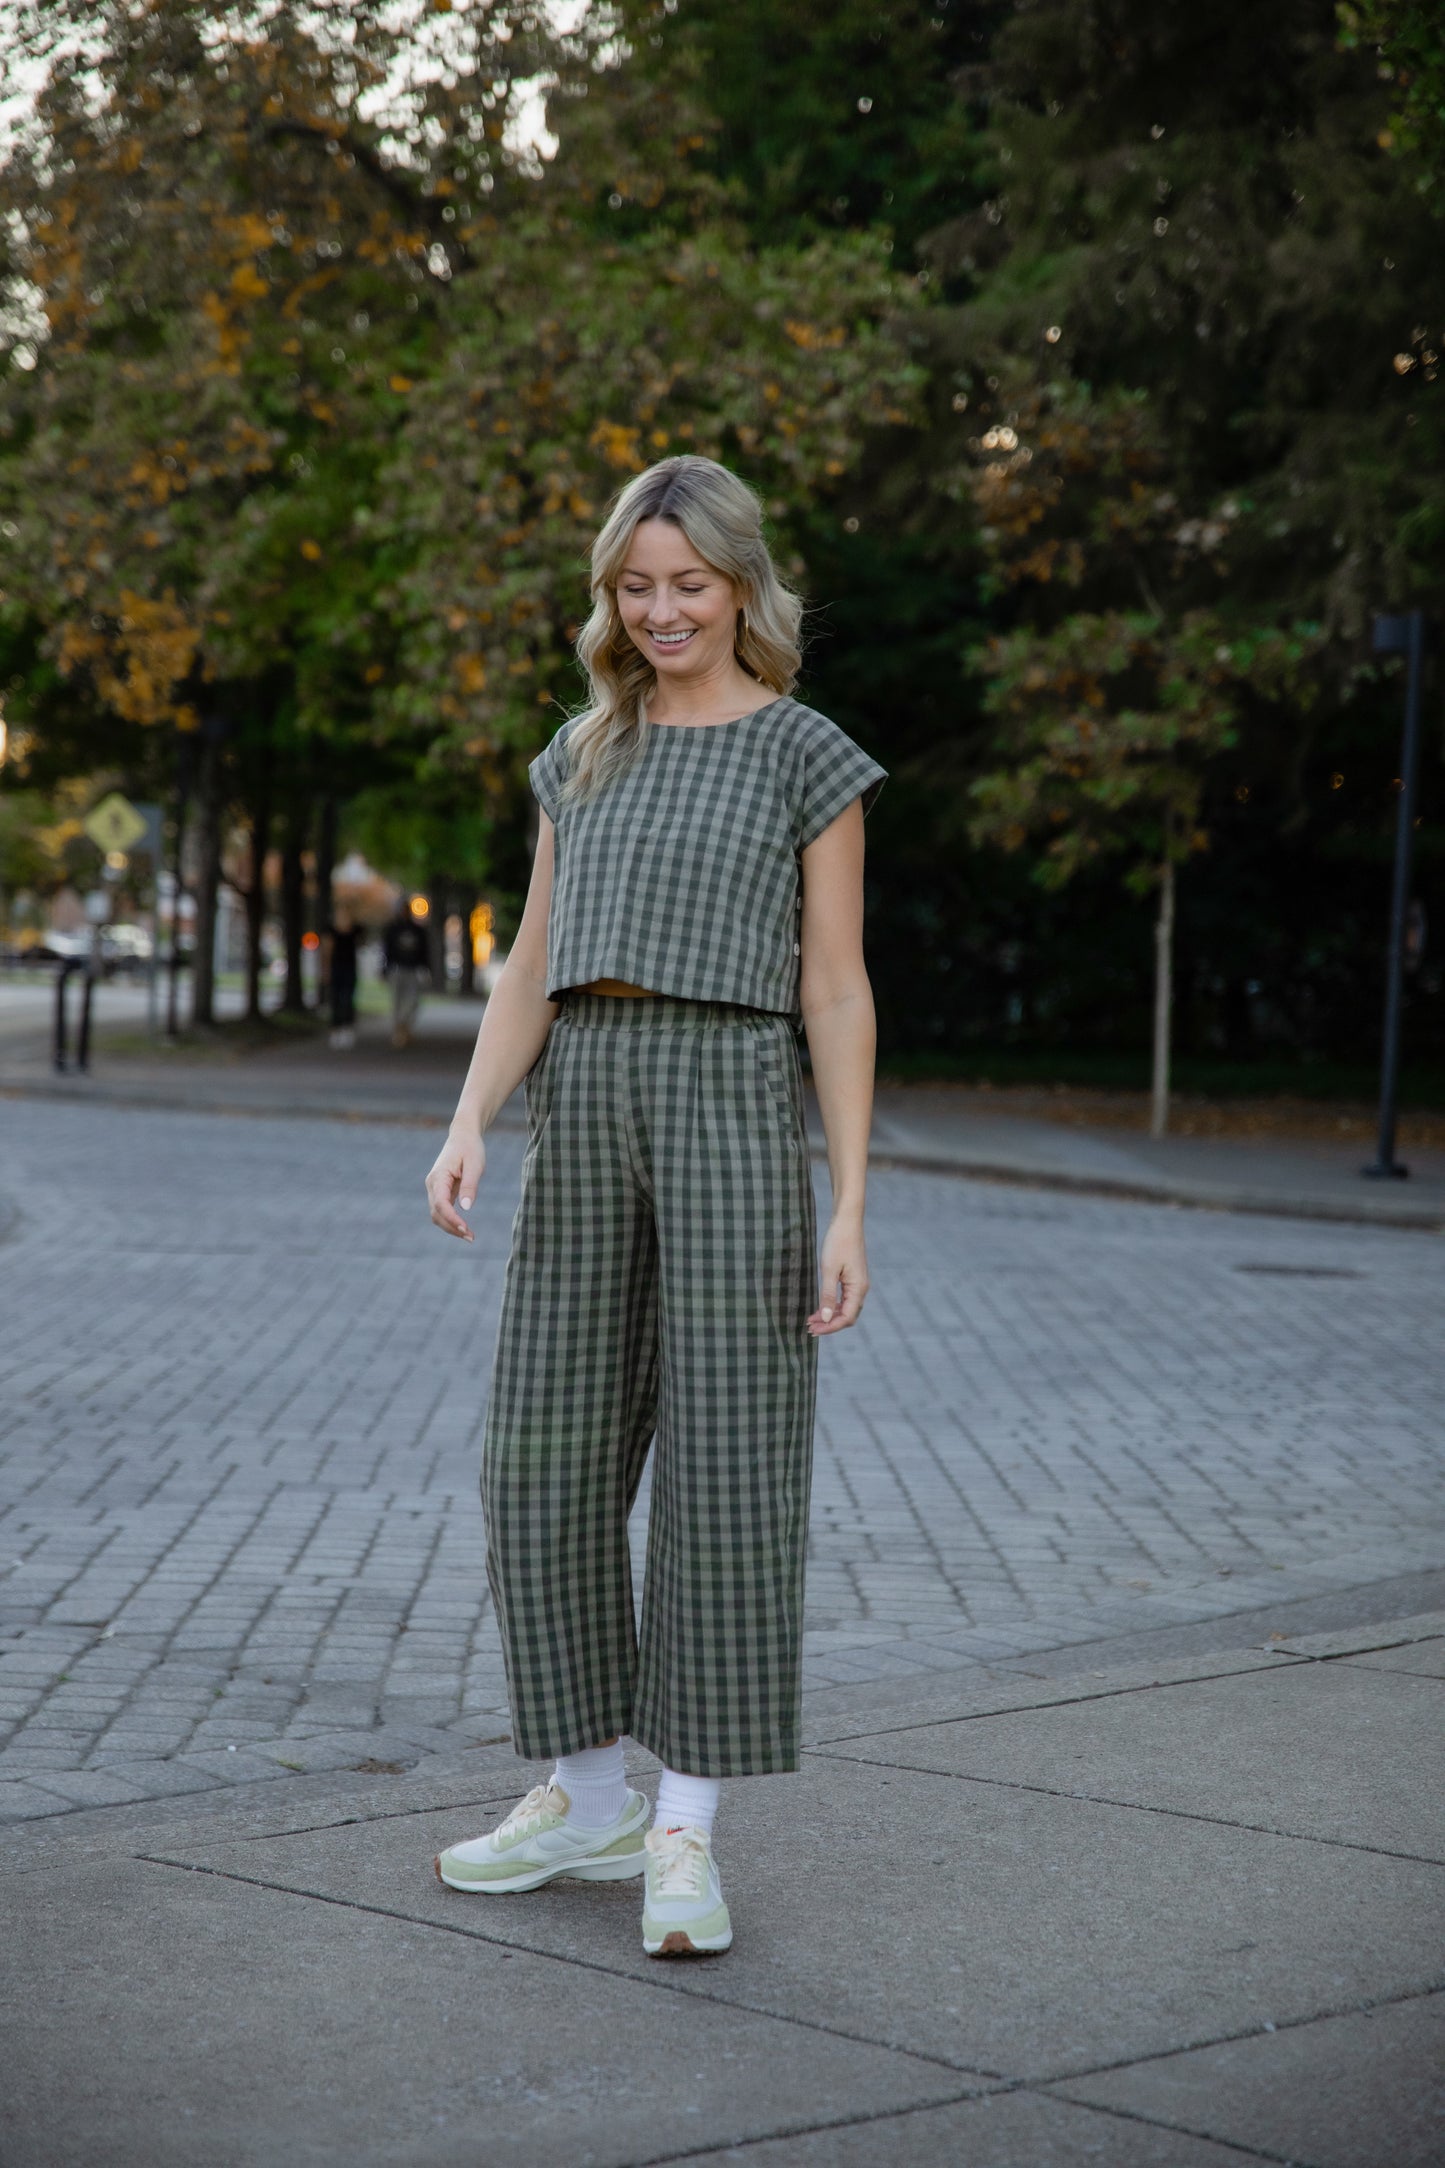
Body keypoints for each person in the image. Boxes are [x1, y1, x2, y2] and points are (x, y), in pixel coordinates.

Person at [425, 455, 886, 1959]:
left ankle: (685, 1827)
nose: (664, 609)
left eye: (690, 584)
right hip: (589, 1096)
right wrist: (470, 1118)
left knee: (730, 1477)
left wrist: (849, 1203)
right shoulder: (582, 752)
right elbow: (528, 963)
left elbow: (833, 986)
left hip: (737, 1104)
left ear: (745, 587)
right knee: (537, 1461)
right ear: (610, 598)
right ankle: (588, 1788)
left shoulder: (807, 757)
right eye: (638, 586)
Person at [383, 901, 431, 1047]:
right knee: (397, 1000)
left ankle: (404, 1025)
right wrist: (385, 968)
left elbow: (425, 952)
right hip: (397, 968)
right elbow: (386, 950)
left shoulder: (418, 930)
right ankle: (399, 1029)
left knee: (413, 1000)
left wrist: (426, 968)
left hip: (413, 969)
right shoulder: (392, 929)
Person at [325, 910, 360, 1050]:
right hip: (336, 969)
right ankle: (335, 1029)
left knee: (348, 999)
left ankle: (347, 1028)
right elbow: (327, 951)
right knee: (336, 1000)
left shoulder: (355, 931)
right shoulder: (331, 931)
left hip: (349, 969)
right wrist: (326, 970)